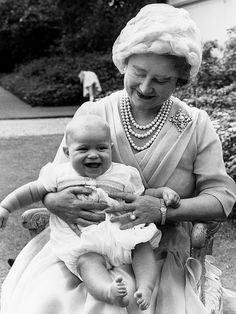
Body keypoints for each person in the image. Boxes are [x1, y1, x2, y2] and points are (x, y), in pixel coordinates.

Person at [1, 3, 236, 314]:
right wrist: (53, 202)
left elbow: (222, 199)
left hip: (154, 252)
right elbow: (54, 180)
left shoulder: (194, 124)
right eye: (138, 73)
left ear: (181, 79)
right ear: (125, 62)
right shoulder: (93, 113)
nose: (145, 86)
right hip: (84, 245)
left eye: (161, 80)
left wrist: (162, 211)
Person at [0, 115, 180, 311]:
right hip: (83, 242)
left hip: (121, 237)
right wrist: (6, 207)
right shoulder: (59, 174)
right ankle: (107, 291)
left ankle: (145, 287)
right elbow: (32, 191)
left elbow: (143, 195)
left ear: (110, 148)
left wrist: (164, 193)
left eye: (101, 148)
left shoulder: (123, 174)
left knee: (142, 248)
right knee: (87, 263)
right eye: (83, 149)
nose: (93, 155)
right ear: (68, 152)